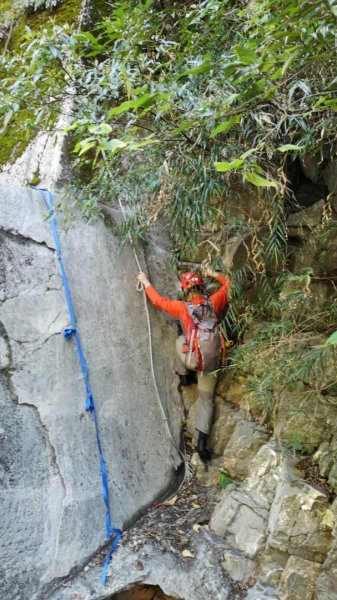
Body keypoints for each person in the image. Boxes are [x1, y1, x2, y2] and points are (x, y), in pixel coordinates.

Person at [137, 268, 229, 460]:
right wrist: (213, 273)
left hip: (193, 361)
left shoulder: (181, 307)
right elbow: (229, 284)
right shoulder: (215, 301)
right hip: (210, 365)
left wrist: (145, 282)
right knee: (207, 402)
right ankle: (202, 444)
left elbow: (158, 301)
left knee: (180, 340)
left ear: (186, 291)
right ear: (201, 287)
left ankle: (185, 377)